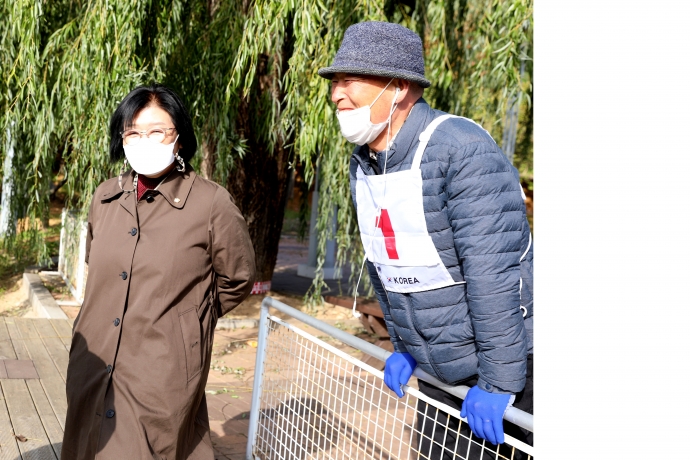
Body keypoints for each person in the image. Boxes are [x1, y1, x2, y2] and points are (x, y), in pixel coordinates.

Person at [317, 21, 533, 458]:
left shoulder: (461, 148)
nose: (336, 94)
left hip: (502, 372)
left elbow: (491, 274)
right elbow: (387, 263)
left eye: (349, 80)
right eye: (334, 82)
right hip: (440, 371)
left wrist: (500, 381)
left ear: (398, 87)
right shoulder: (366, 162)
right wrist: (405, 347)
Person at [61, 84, 256, 459]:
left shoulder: (210, 203)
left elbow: (238, 278)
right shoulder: (104, 197)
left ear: (179, 138)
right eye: (133, 132)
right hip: (92, 361)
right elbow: (98, 267)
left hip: (160, 368)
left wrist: (188, 322)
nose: (143, 141)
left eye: (156, 131)